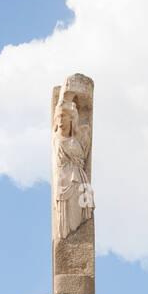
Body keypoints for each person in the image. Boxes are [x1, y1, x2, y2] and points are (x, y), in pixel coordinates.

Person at [52, 94, 94, 238]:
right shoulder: (57, 139)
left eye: (63, 116)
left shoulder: (78, 139)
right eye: (58, 117)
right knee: (66, 227)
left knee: (77, 222)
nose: (60, 120)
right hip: (63, 183)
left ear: (71, 119)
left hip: (79, 182)